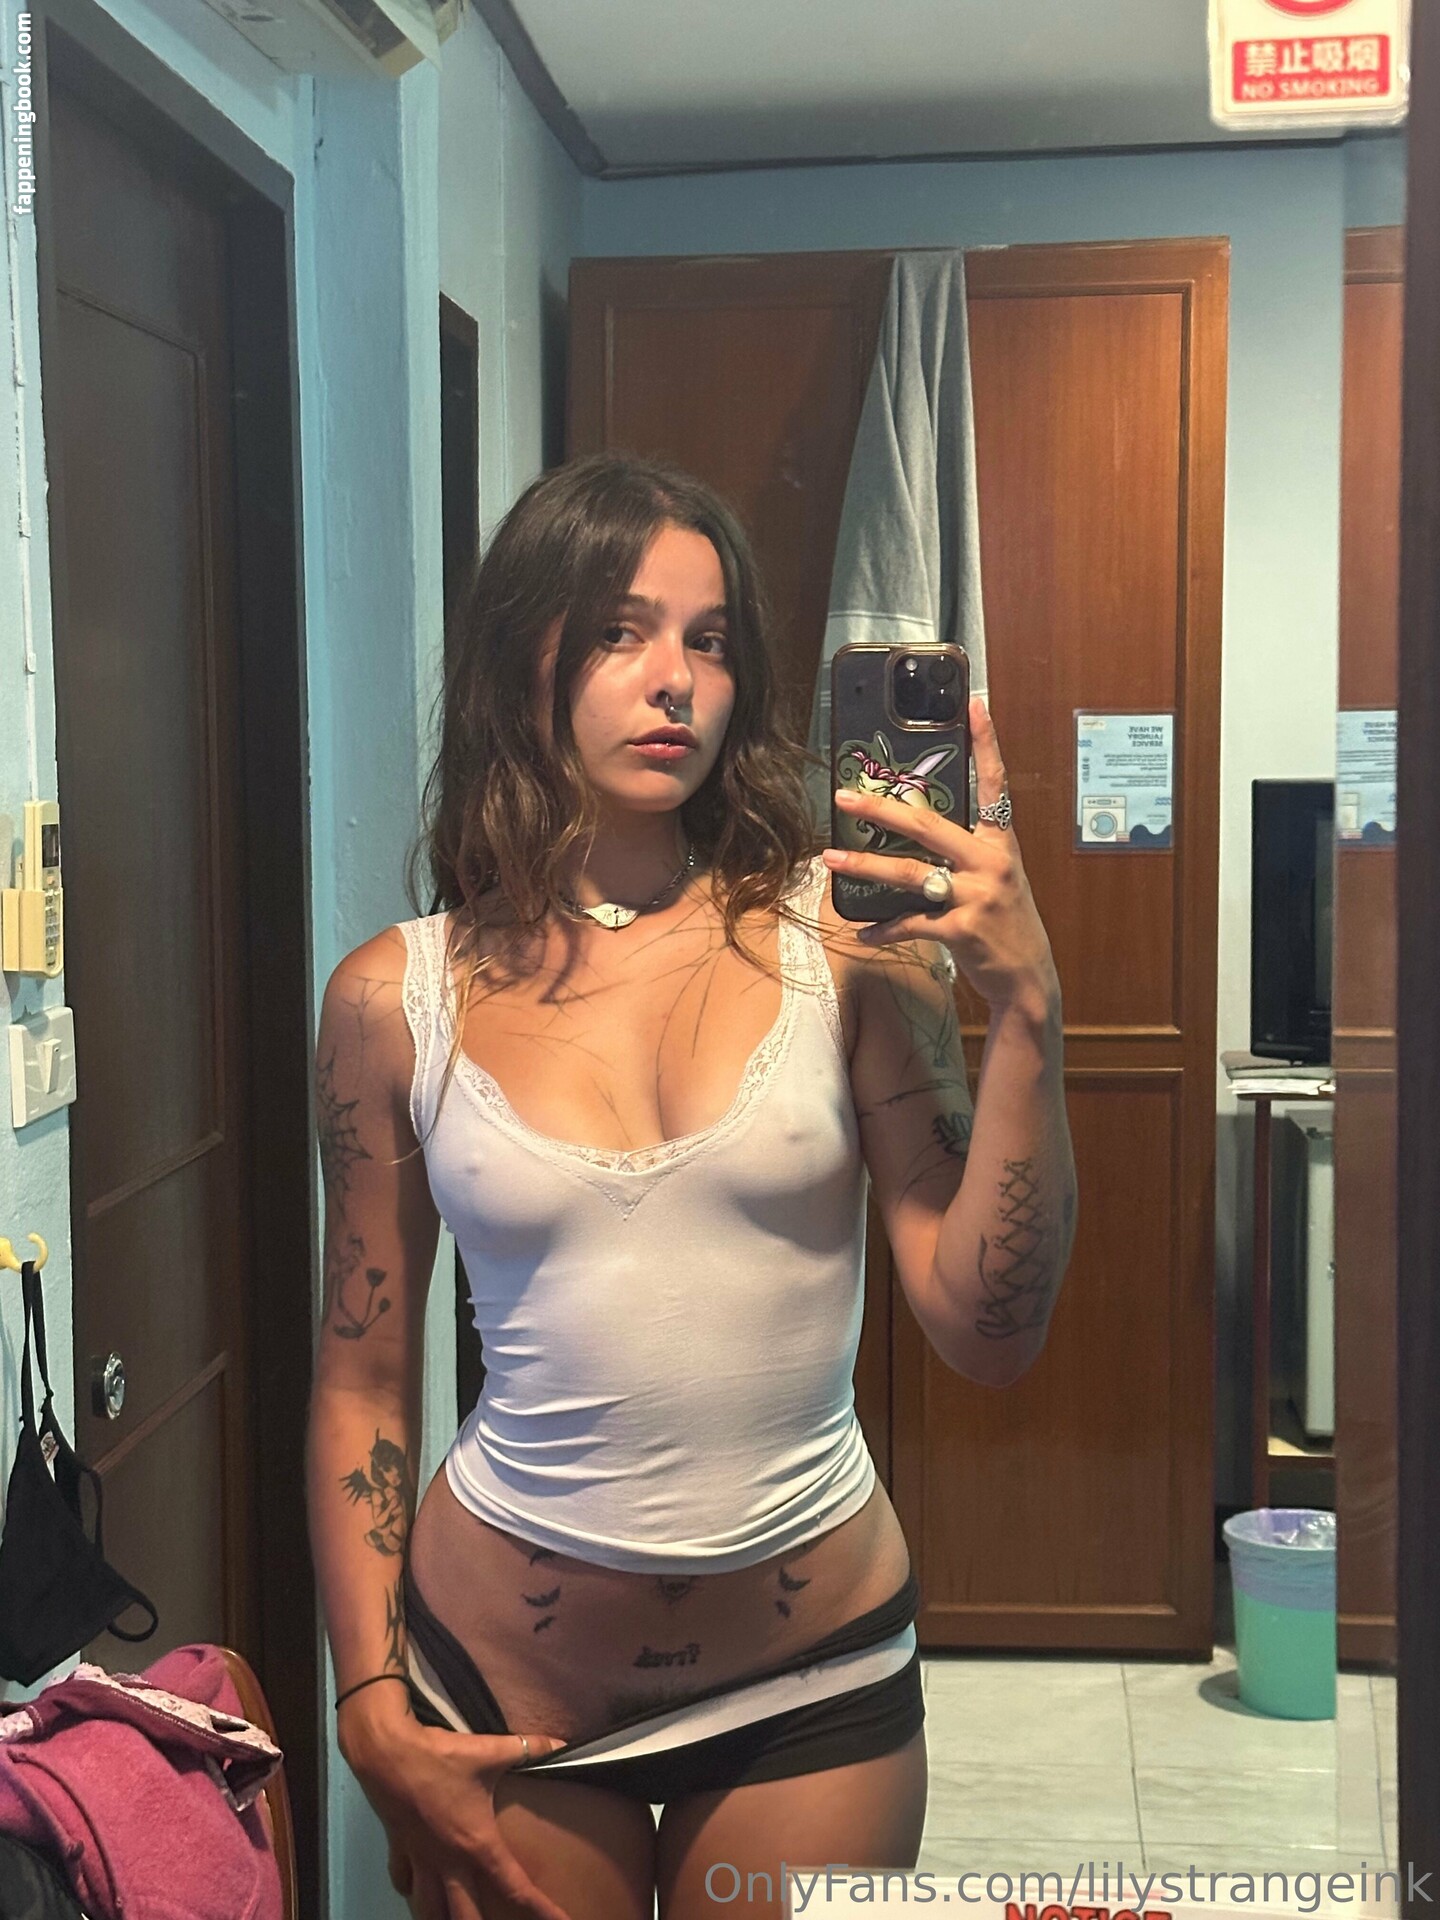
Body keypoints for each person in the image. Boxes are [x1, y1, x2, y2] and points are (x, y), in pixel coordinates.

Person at [306, 453, 1076, 1920]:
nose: (675, 680)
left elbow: (990, 1331)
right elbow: (361, 1379)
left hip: (811, 1676)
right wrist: (365, 1698)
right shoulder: (392, 1000)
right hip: (500, 1682)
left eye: (709, 641)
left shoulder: (851, 951)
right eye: (620, 630)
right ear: (521, 655)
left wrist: (1030, 1008)